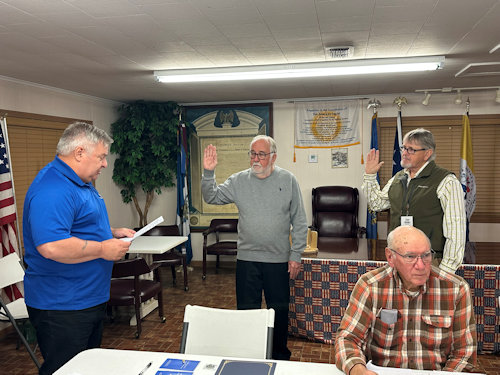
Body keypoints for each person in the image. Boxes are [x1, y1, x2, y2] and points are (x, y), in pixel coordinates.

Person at [23, 122, 135, 375]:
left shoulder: (79, 183)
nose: (106, 164)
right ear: (80, 153)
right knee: (65, 370)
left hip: (87, 299)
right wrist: (103, 249)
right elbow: (51, 246)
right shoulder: (53, 188)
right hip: (62, 305)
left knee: (86, 369)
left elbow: (73, 226)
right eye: (102, 156)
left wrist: (110, 233)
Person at [201, 135, 308, 360]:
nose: (256, 159)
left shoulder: (288, 180)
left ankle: (279, 357)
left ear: (273, 157)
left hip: (279, 261)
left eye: (261, 154)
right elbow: (211, 196)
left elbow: (299, 220)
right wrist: (209, 173)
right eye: (252, 153)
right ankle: (248, 355)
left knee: (278, 312)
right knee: (247, 313)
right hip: (247, 261)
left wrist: (295, 255)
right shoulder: (238, 181)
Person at [334, 226, 477, 374]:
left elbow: (464, 352)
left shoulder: (456, 289)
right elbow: (348, 339)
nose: (421, 265)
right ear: (390, 257)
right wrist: (359, 371)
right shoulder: (370, 286)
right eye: (410, 257)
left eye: (426, 255)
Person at [362, 128, 466, 273]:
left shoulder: (446, 181)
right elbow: (376, 204)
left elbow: (456, 228)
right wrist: (370, 176)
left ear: (427, 153)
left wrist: (446, 270)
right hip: (397, 257)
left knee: (425, 297)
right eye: (404, 148)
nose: (404, 153)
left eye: (411, 150)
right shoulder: (398, 177)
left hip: (427, 261)